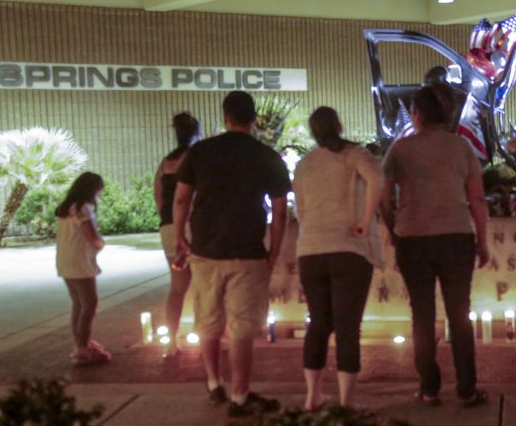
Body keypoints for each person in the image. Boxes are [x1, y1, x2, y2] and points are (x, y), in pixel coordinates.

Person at [173, 91, 290, 417]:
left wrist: (180, 236)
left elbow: (182, 199)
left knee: (208, 322)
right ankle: (240, 396)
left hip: (206, 251)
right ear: (254, 119)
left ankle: (213, 384)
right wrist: (273, 253)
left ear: (225, 117)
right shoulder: (267, 156)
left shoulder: (201, 152)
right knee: (241, 327)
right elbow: (280, 212)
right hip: (248, 252)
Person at [380, 83, 490, 407]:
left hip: (412, 239)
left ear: (416, 114)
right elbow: (478, 199)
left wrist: (393, 229)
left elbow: (383, 198)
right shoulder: (461, 148)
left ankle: (429, 388)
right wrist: (483, 240)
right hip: (456, 237)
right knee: (460, 314)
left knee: (422, 315)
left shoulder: (399, 150)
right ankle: (467, 389)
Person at [293, 106, 383, 410]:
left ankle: (311, 396)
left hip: (311, 250)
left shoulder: (305, 164)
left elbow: (300, 209)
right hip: (350, 250)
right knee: (347, 325)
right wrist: (365, 218)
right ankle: (346, 402)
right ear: (339, 125)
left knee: (318, 323)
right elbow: (377, 181)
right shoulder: (355, 154)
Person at [154, 111, 200, 359]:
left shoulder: (165, 163)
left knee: (177, 287)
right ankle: (205, 334)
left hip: (169, 228)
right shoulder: (196, 157)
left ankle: (171, 341)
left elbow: (159, 197)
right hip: (194, 226)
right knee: (204, 284)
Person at [55, 171, 111, 367]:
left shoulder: (67, 207)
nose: (100, 194)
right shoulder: (83, 208)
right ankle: (82, 349)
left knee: (78, 304)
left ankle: (82, 343)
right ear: (92, 189)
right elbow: (91, 236)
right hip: (80, 262)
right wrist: (101, 244)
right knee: (90, 304)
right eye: (99, 190)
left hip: (65, 260)